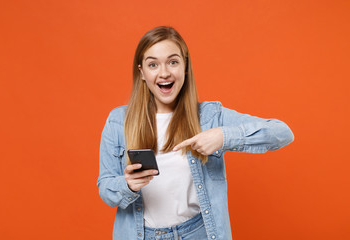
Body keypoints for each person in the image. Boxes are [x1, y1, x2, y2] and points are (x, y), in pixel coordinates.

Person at [97, 26, 294, 240]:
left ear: (185, 67)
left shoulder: (209, 116)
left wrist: (223, 136)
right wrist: (127, 185)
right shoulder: (118, 121)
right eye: (153, 64)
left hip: (197, 232)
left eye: (173, 62)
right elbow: (106, 187)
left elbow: (282, 132)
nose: (164, 73)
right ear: (142, 72)